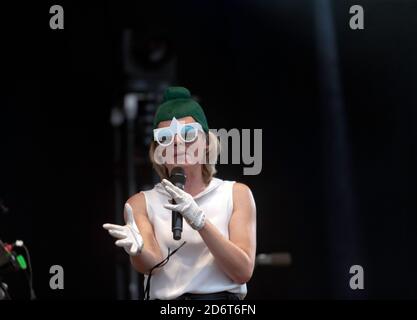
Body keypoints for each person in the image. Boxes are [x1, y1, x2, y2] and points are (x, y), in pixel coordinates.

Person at [103, 87, 256, 300]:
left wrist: (200, 222)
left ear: (206, 143)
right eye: (165, 137)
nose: (177, 142)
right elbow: (153, 264)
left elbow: (243, 271)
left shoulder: (235, 194)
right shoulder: (140, 203)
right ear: (158, 152)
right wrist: (137, 251)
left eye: (188, 134)